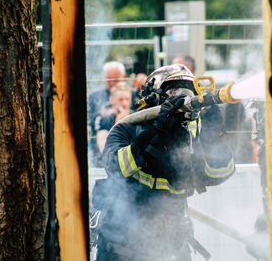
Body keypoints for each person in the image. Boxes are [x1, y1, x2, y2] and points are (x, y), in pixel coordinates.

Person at [93, 64, 235, 261]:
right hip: (122, 248)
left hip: (169, 249)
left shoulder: (189, 140)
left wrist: (214, 132)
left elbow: (217, 174)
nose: (182, 98)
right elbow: (116, 168)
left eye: (187, 92)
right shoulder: (127, 129)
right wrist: (157, 131)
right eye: (173, 92)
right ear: (155, 96)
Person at [88, 61, 127, 166]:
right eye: (109, 79)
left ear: (123, 77)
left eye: (115, 79)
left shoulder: (131, 94)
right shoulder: (95, 96)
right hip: (101, 154)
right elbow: (91, 121)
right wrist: (103, 116)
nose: (112, 83)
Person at [96, 82, 132, 154]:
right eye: (120, 99)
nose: (124, 103)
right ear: (112, 100)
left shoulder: (136, 117)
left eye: (127, 99)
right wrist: (117, 127)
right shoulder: (105, 121)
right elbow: (104, 150)